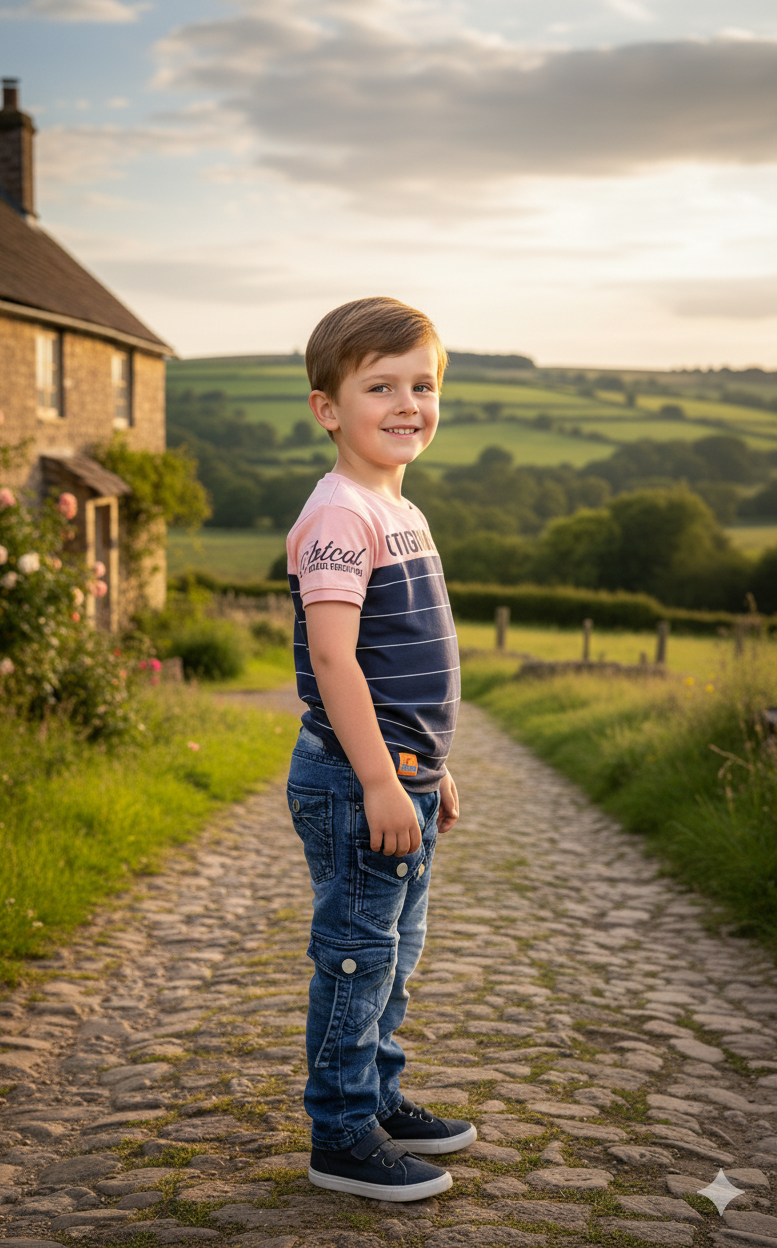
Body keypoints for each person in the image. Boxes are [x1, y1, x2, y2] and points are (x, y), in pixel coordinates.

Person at [285, 296, 475, 1202]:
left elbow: (402, 662)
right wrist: (377, 780)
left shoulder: (401, 508)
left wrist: (430, 768)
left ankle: (378, 1098)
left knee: (395, 955)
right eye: (381, 387)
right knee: (358, 954)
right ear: (328, 409)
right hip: (359, 778)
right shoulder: (339, 515)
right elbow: (334, 660)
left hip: (402, 774)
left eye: (423, 385)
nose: (408, 404)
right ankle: (341, 1134)